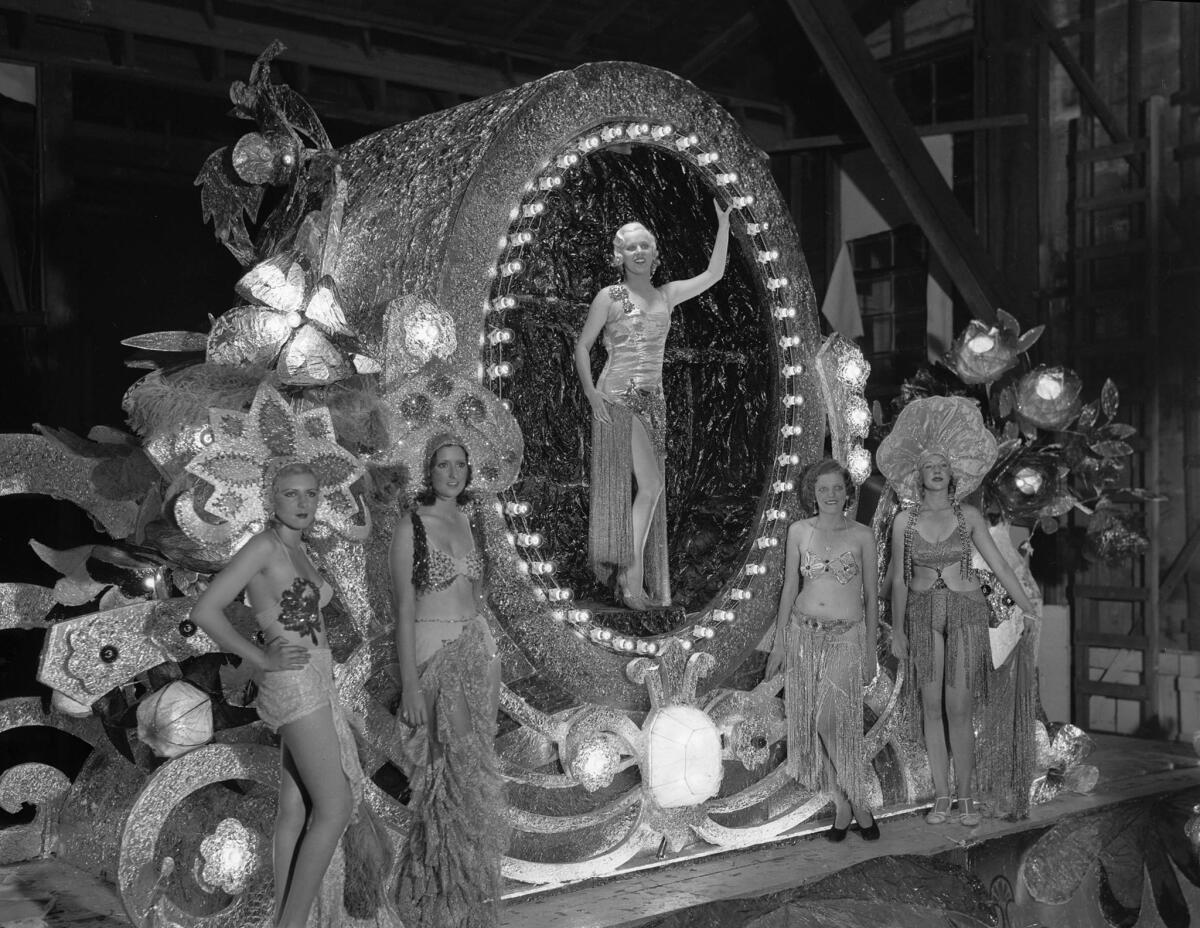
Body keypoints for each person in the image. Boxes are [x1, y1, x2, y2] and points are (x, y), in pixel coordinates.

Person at [190, 462, 393, 928]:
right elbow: (207, 609)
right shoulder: (264, 546)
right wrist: (262, 659)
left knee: (296, 806)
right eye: (291, 495)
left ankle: (284, 917)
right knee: (336, 804)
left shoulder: (300, 550)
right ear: (270, 499)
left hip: (317, 675)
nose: (303, 504)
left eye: (310, 494)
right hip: (295, 681)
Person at [878, 396, 1041, 826]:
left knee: (959, 707)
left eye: (943, 465)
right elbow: (897, 579)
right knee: (930, 706)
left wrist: (1028, 607)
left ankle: (966, 797)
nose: (936, 470)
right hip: (920, 613)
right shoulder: (903, 521)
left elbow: (1002, 566)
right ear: (918, 473)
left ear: (953, 474)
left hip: (966, 613)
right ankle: (942, 796)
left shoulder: (968, 516)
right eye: (929, 464)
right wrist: (896, 631)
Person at [574, 199, 732, 610]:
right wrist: (592, 393)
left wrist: (723, 225)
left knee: (650, 488)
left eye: (645, 245)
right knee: (651, 485)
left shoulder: (666, 295)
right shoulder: (609, 297)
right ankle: (630, 582)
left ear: (654, 252)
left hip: (654, 400)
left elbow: (714, 274)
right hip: (618, 395)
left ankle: (630, 578)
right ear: (619, 255)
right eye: (631, 247)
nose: (639, 252)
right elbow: (583, 345)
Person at [390, 433, 507, 928]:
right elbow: (402, 610)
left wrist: (485, 652)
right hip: (434, 657)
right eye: (443, 465)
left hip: (474, 657)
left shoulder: (469, 520)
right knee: (451, 774)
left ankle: (456, 896)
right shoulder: (410, 526)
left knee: (470, 768)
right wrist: (412, 686)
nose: (453, 473)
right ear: (429, 471)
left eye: (461, 464)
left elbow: (476, 599)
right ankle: (440, 902)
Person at [766, 459, 881, 841]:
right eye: (823, 489)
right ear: (811, 494)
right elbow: (788, 590)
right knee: (814, 723)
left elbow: (871, 598)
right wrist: (780, 643)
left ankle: (858, 801)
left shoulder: (863, 535)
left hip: (846, 637)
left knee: (832, 721)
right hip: (803, 634)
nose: (830, 495)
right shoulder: (799, 531)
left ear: (847, 492)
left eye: (837, 488)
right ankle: (844, 804)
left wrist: (870, 652)